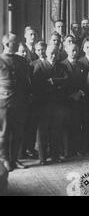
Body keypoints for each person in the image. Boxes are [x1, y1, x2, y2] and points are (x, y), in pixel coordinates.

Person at [33, 44, 68, 165]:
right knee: (42, 132)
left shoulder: (62, 66)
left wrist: (53, 81)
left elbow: (67, 81)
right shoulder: (39, 66)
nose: (53, 56)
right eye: (51, 53)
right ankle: (42, 158)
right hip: (43, 104)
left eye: (56, 54)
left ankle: (55, 156)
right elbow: (37, 85)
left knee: (56, 131)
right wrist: (57, 85)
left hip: (58, 104)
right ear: (46, 53)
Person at [0, 34, 30, 171]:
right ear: (6, 44)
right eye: (14, 43)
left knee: (18, 132)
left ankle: (15, 159)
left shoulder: (21, 60)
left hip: (20, 100)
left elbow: (26, 81)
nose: (18, 45)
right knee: (5, 132)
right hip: (4, 101)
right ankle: (4, 159)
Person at [61, 43, 86, 157]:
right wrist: (71, 95)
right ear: (66, 51)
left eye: (76, 50)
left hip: (79, 100)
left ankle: (77, 148)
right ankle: (67, 150)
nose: (74, 52)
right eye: (72, 50)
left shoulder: (81, 65)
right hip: (66, 100)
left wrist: (80, 92)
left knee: (78, 124)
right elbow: (61, 84)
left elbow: (85, 82)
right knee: (66, 126)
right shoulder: (61, 65)